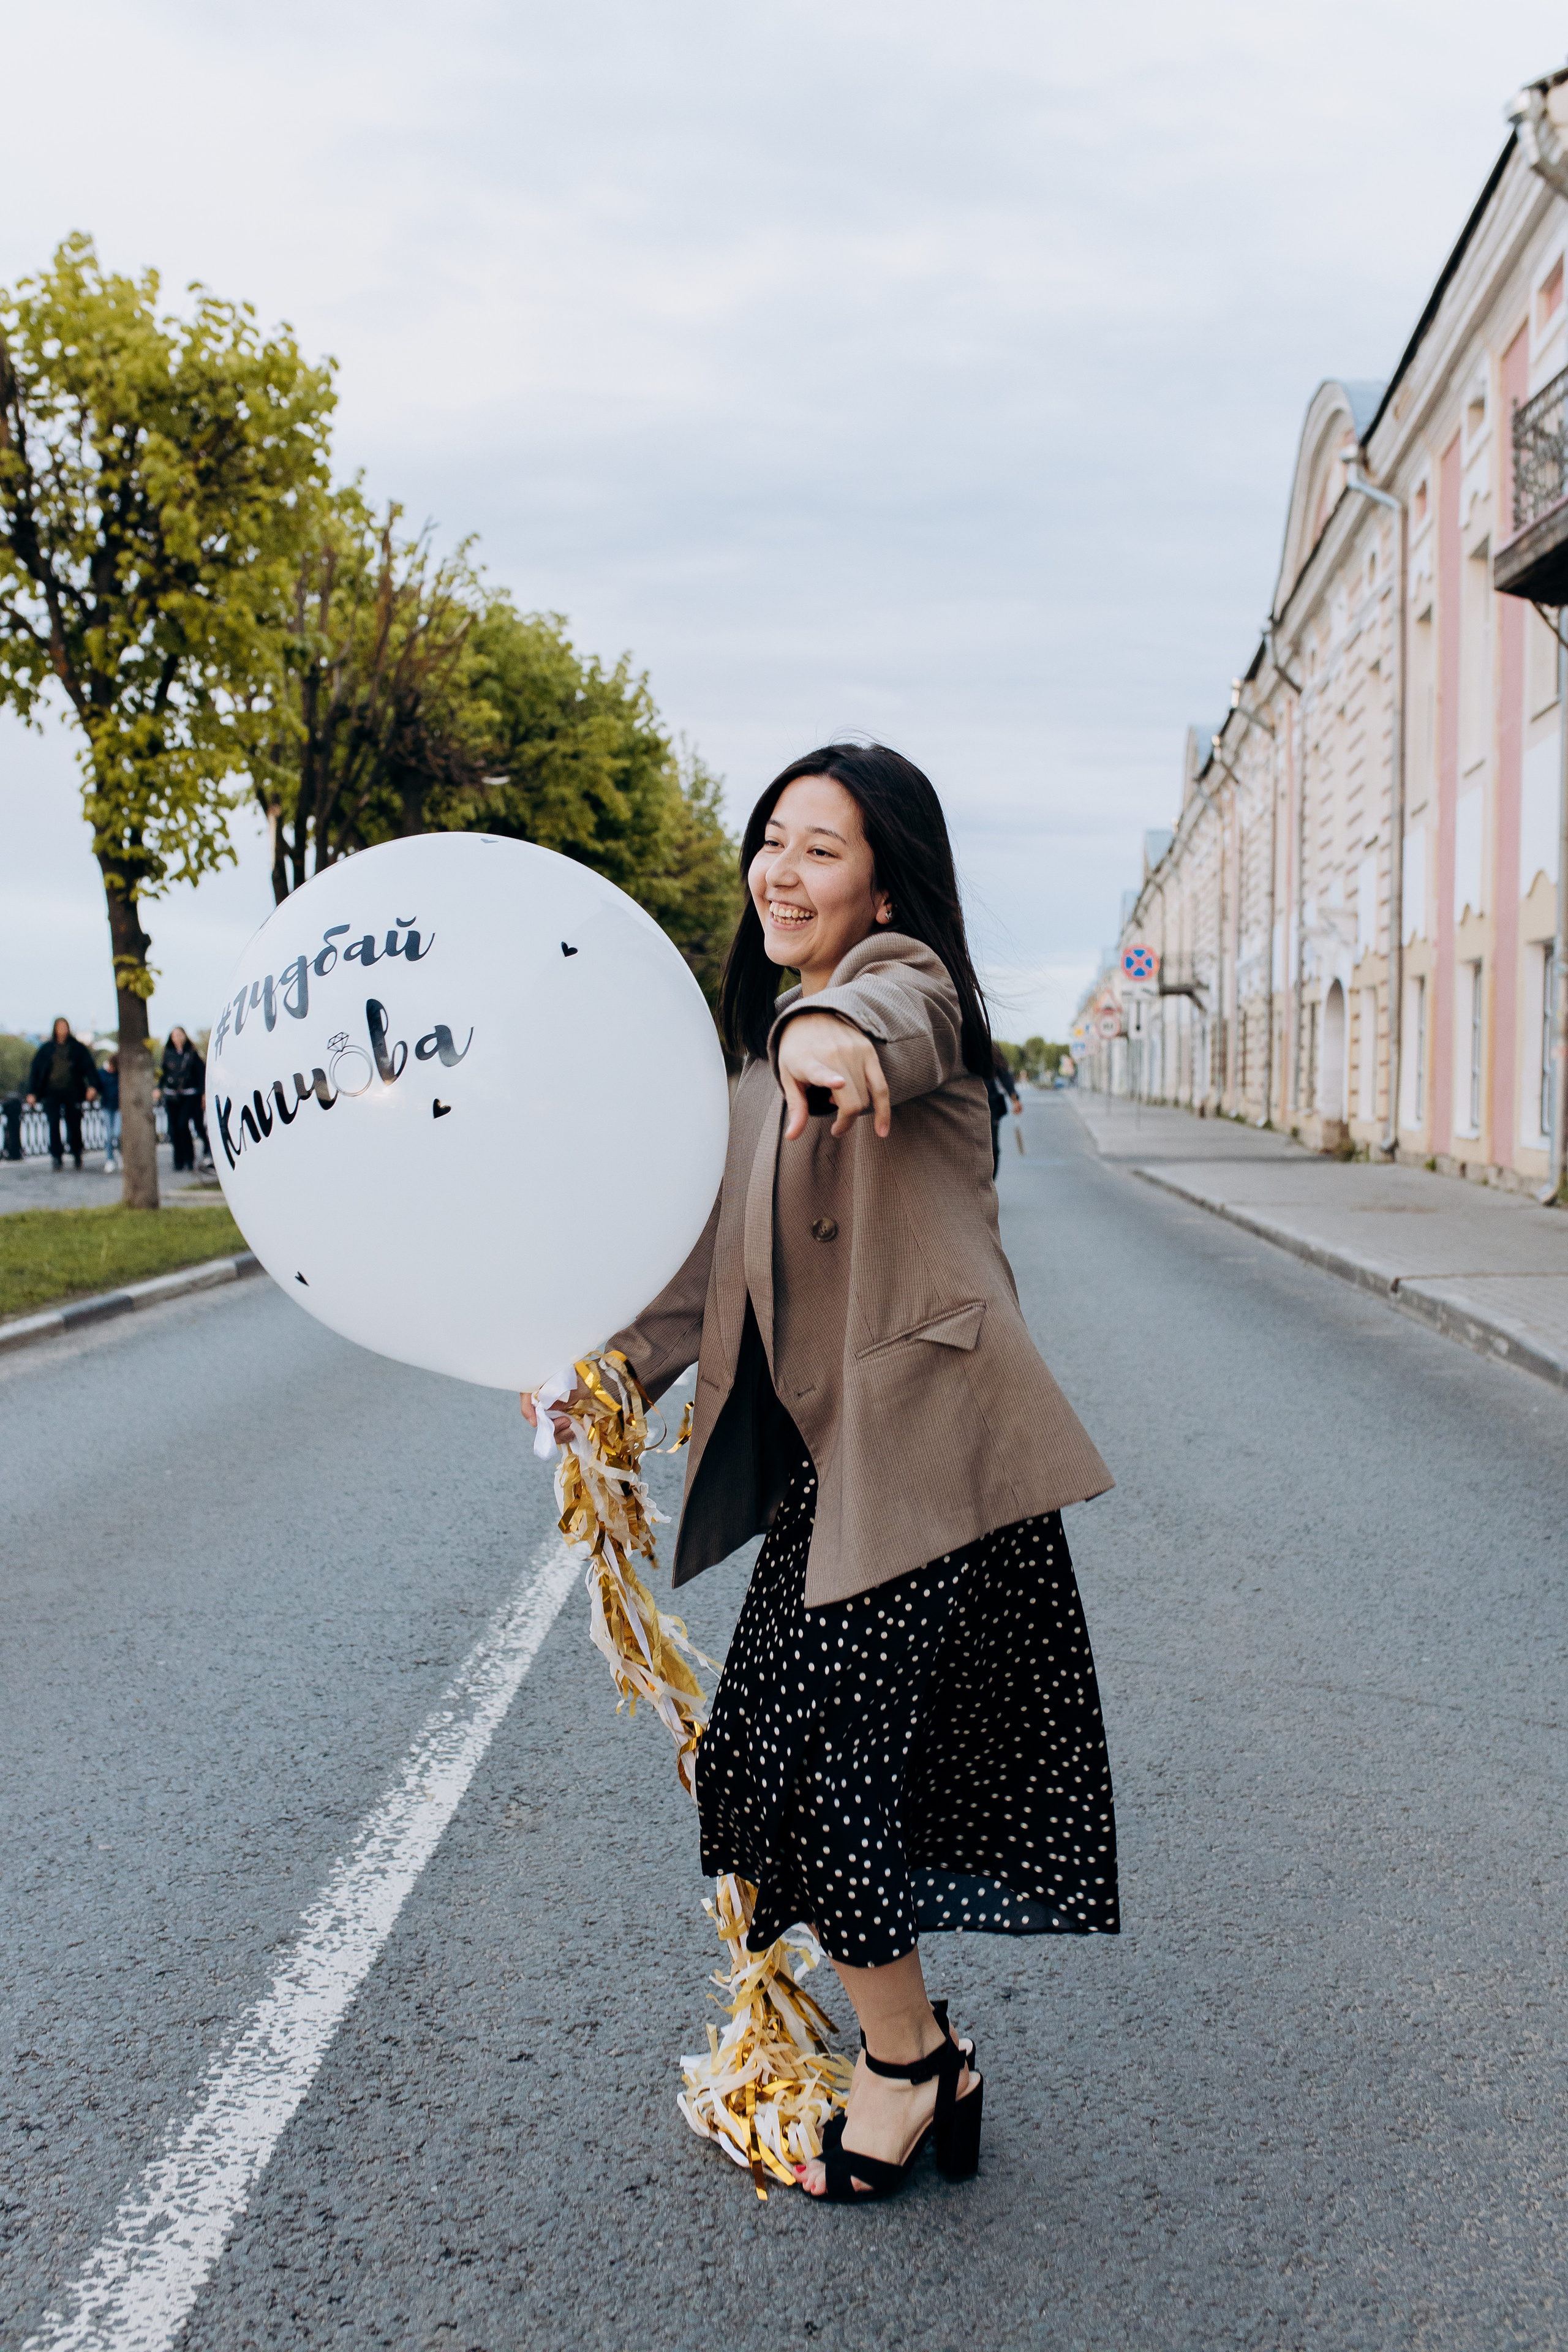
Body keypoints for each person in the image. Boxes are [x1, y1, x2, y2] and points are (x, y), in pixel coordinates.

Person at [525, 742, 1117, 2204]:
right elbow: (696, 1283)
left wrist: (833, 1032)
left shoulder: (902, 999)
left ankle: (907, 2070)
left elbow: (894, 1017)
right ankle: (923, 2055)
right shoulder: (752, 1078)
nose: (778, 872)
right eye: (770, 840)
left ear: (882, 887)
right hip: (831, 1481)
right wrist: (604, 1381)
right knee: (757, 1766)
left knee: (828, 1776)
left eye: (819, 848)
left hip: (928, 1462)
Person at [25, 1019, 99, 1170]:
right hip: (51, 1092)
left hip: (73, 1091)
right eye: (60, 1027)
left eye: (64, 1027)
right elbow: (36, 1071)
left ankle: (77, 1152)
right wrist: (32, 1092)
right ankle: (57, 1156)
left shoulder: (77, 1048)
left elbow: (90, 1068)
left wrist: (93, 1086)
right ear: (55, 1029)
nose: (62, 1030)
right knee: (53, 1123)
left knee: (74, 1123)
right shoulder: (47, 1049)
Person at [160, 1027, 208, 1172]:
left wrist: (203, 1093)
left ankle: (189, 1159)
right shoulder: (168, 1054)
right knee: (174, 1129)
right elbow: (164, 1073)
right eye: (175, 1035)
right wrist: (159, 1088)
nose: (178, 1038)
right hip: (172, 1096)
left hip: (189, 1094)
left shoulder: (192, 1053)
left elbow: (201, 1074)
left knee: (183, 1125)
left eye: (180, 1035)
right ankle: (178, 1161)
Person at [986, 1048, 1022, 1175]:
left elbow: (1003, 1073)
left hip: (989, 1106)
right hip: (963, 1104)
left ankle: (990, 1180)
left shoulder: (988, 1045)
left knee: (992, 1147)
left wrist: (1014, 1098)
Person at [98, 1053, 121, 1174]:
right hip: (107, 1107)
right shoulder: (103, 1074)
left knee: (117, 1133)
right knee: (109, 1135)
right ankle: (110, 1159)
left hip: (119, 1108)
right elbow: (97, 1085)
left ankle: (121, 1154)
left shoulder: (120, 1075)